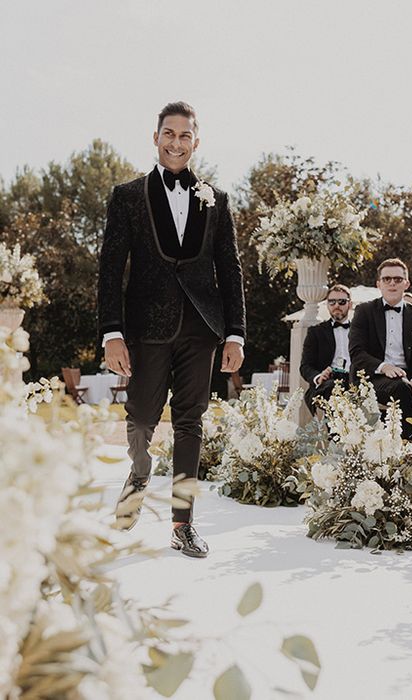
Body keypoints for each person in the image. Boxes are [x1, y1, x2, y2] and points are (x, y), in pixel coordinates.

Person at [99, 101, 246, 557]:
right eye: (169, 134)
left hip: (201, 327)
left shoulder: (216, 200)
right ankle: (140, 472)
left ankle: (183, 523)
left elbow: (230, 269)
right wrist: (111, 332)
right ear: (156, 137)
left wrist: (235, 333)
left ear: (196, 142)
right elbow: (109, 269)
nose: (176, 142)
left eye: (185, 136)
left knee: (190, 422)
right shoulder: (127, 196)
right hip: (145, 328)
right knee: (142, 416)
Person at [349, 258, 412, 430]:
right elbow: (357, 352)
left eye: (398, 279)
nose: (392, 283)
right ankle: (409, 447)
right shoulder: (364, 311)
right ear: (379, 284)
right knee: (401, 388)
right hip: (373, 379)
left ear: (406, 284)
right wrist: (384, 367)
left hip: (410, 379)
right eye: (387, 279)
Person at [300, 284, 353, 413]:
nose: (336, 305)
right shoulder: (315, 332)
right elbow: (305, 366)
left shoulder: (361, 331)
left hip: (355, 379)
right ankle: (335, 432)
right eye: (332, 302)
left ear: (350, 305)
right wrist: (318, 377)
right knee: (331, 389)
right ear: (327, 305)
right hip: (329, 380)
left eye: (341, 301)